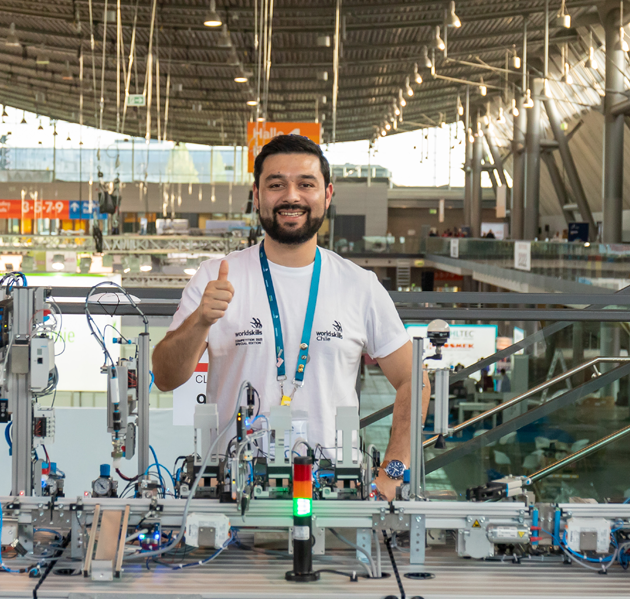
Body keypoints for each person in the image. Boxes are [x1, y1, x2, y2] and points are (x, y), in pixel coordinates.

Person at [152, 134, 427, 500]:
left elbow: (415, 381)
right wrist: (200, 320)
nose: (291, 196)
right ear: (257, 195)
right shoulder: (215, 276)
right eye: (276, 184)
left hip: (333, 495)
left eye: (306, 184)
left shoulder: (359, 285)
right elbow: (166, 377)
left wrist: (392, 473)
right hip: (231, 493)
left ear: (327, 195)